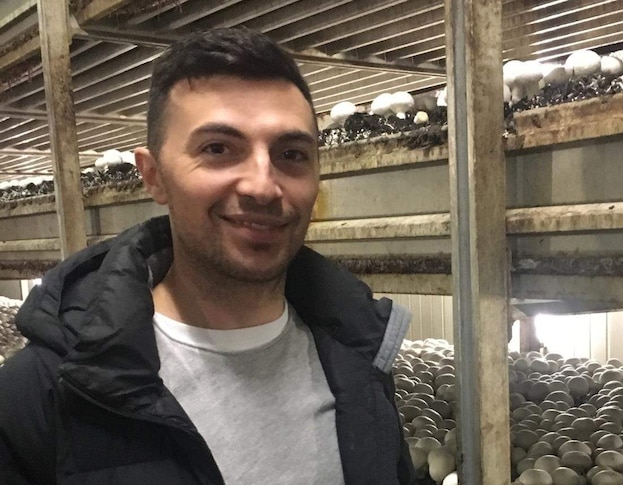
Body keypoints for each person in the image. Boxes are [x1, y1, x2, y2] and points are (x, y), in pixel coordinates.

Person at [0, 28, 416, 485]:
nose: (262, 185)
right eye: (218, 149)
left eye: (292, 154)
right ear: (153, 176)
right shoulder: (45, 393)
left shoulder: (361, 358)